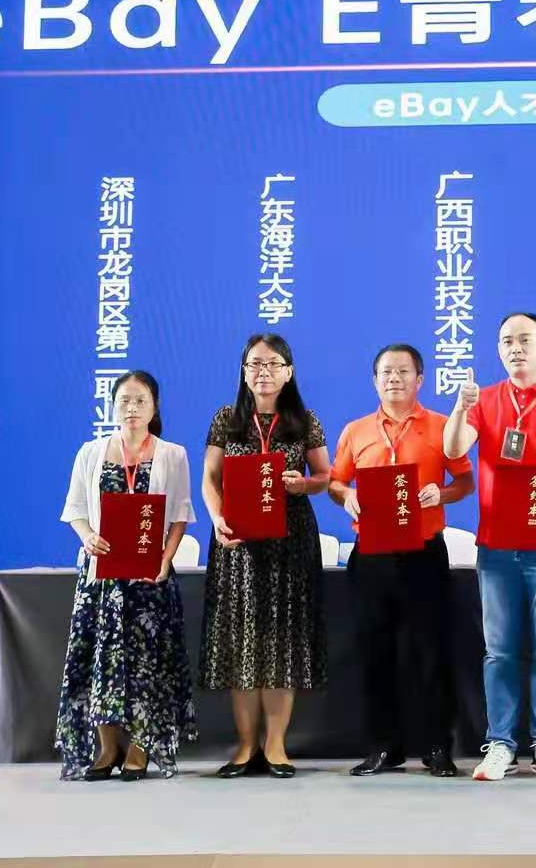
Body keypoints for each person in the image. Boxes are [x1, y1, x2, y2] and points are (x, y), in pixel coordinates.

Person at [443, 312, 536, 781]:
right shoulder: (486, 400)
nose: (516, 348)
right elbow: (453, 450)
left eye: (525, 340)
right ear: (498, 349)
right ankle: (501, 744)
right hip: (496, 548)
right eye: (507, 341)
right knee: (500, 651)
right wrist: (460, 408)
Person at [329, 343, 475, 778]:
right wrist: (348, 496)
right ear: (375, 381)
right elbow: (335, 482)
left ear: (420, 379)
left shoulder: (441, 426)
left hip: (423, 553)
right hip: (372, 554)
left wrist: (441, 494)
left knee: (431, 651)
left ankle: (437, 747)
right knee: (376, 652)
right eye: (386, 372)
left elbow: (465, 481)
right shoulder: (356, 431)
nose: (394, 379)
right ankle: (382, 747)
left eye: (403, 372)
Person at [200, 333, 331, 779]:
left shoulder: (304, 421)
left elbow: (325, 476)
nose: (263, 372)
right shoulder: (226, 419)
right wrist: (217, 518)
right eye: (255, 364)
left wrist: (303, 484)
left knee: (282, 641)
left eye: (273, 364)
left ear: (288, 372)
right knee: (241, 641)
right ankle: (245, 747)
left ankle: (275, 745)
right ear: (243, 372)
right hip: (237, 543)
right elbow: (210, 478)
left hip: (289, 542)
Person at [55, 369, 197, 781]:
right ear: (112, 406)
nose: (131, 408)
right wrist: (87, 537)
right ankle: (107, 748)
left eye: (140, 401)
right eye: (124, 401)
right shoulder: (91, 452)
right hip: (102, 578)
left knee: (147, 661)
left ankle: (140, 747)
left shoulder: (172, 454)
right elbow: (75, 509)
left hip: (150, 577)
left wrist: (165, 560)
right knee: (101, 658)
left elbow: (180, 514)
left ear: (154, 407)